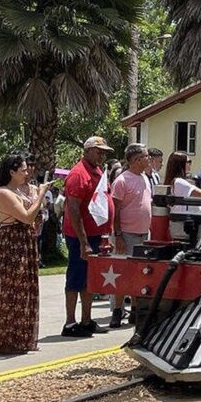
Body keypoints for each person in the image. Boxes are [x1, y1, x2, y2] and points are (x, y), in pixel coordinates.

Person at [0, 154, 50, 353]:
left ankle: (24, 338)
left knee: (27, 290)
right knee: (11, 290)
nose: (27, 173)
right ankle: (7, 339)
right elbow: (26, 217)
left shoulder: (23, 191)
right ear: (11, 172)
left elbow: (36, 218)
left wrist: (35, 196)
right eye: (23, 170)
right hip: (11, 243)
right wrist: (41, 195)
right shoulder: (2, 193)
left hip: (26, 240)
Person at [62, 136, 114, 337]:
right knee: (75, 277)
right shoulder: (78, 174)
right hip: (79, 237)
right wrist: (84, 242)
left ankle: (86, 319)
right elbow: (73, 210)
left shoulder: (97, 171)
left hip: (95, 234)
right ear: (88, 150)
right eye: (99, 151)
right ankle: (69, 322)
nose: (102, 155)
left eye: (104, 152)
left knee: (89, 279)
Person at [109, 144, 151, 327]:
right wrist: (117, 234)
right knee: (122, 273)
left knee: (139, 274)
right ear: (136, 160)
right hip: (126, 234)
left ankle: (135, 310)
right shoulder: (121, 181)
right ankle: (117, 311)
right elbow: (115, 211)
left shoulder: (145, 178)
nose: (148, 159)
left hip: (143, 233)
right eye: (146, 156)